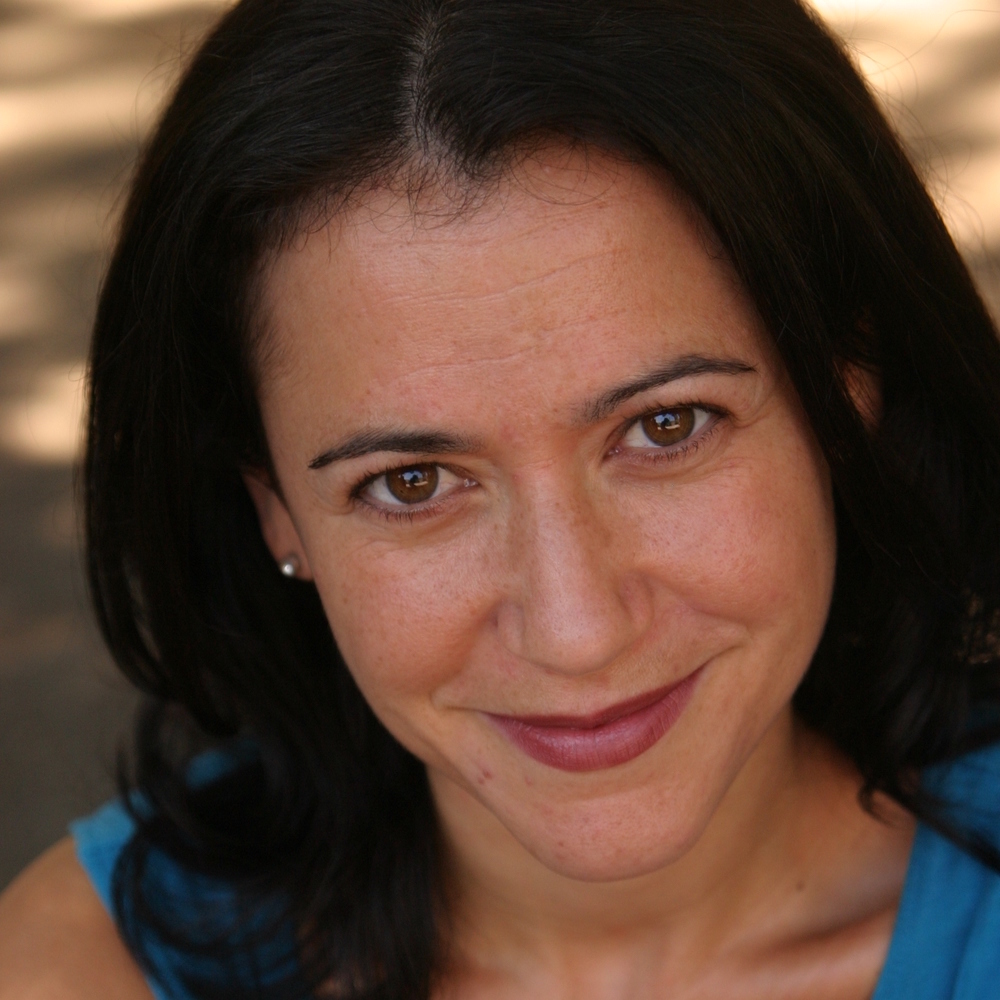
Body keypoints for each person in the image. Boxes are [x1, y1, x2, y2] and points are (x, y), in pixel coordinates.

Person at [2, 0, 1000, 996]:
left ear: (849, 391)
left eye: (666, 426)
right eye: (411, 483)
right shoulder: (75, 971)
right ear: (274, 508)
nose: (577, 632)